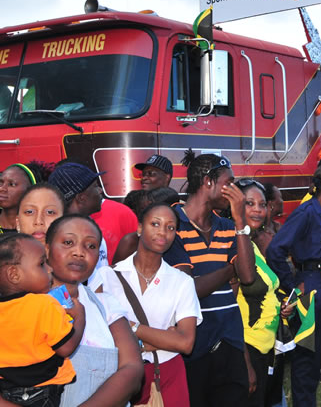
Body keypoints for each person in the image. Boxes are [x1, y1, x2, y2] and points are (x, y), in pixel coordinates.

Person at [162, 151, 256, 407]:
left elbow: (247, 276)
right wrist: (228, 271)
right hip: (195, 347)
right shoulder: (171, 223)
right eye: (230, 182)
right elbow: (187, 289)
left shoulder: (228, 227)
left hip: (230, 342)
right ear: (208, 182)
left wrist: (240, 221)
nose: (235, 190)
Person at [266, 164, 321, 407]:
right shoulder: (306, 212)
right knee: (307, 361)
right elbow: (276, 250)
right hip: (310, 291)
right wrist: (293, 284)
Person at [98, 203, 202, 407]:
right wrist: (164, 337)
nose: (162, 232)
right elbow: (100, 336)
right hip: (119, 375)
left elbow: (185, 344)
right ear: (139, 228)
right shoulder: (107, 277)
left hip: (167, 374)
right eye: (155, 224)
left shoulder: (181, 281)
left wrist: (131, 327)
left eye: (170, 227)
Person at [46, 215, 144, 406]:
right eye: (68, 242)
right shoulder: (26, 305)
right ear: (47, 249)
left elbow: (132, 370)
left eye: (90, 246)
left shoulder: (105, 305)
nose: (79, 252)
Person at [0, 232, 84, 407]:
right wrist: (80, 318)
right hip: (44, 392)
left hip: (6, 391)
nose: (50, 269)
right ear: (14, 274)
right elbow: (65, 348)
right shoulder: (44, 304)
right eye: (41, 264)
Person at [233, 180, 287, 407]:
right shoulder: (233, 246)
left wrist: (281, 307)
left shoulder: (254, 246)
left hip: (267, 348)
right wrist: (245, 362)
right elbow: (230, 309)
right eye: (250, 203)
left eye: (262, 204)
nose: (258, 209)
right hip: (248, 349)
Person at [48, 162, 110, 284]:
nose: (100, 190)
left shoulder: (90, 226)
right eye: (95, 186)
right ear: (82, 198)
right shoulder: (56, 234)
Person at [0, 163, 47, 233]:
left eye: (12, 184)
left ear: (29, 191)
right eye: (0, 182)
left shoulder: (39, 232)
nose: (1, 188)